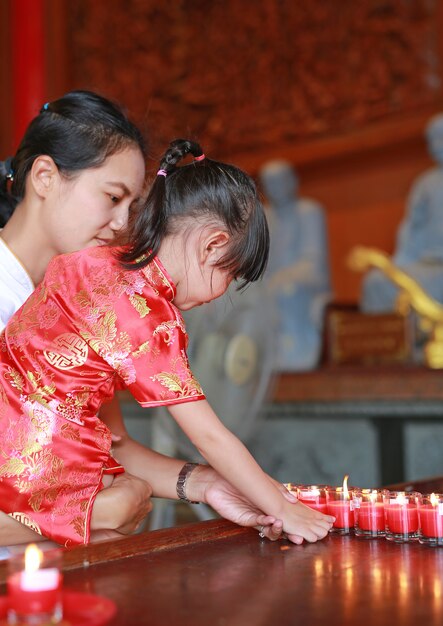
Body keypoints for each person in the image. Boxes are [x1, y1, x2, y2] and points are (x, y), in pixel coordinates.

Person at [0, 138, 334, 547]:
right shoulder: (147, 317)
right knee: (108, 526)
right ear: (213, 245)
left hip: (12, 440)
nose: (219, 294)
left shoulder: (91, 262)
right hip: (39, 463)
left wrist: (212, 485)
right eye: (231, 277)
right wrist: (284, 509)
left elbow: (110, 432)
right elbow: (209, 435)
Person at [361, 113, 443, 315]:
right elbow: (411, 228)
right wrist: (396, 267)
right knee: (376, 282)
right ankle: (391, 346)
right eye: (431, 141)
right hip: (428, 266)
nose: (435, 146)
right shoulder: (425, 183)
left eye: (440, 138)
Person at [259, 160, 331, 371]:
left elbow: (313, 260)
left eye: (280, 181)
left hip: (306, 277)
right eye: (269, 183)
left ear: (293, 181)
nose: (275, 188)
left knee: (286, 290)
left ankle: (296, 354)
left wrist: (281, 276)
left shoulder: (308, 211)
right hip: (270, 278)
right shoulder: (263, 216)